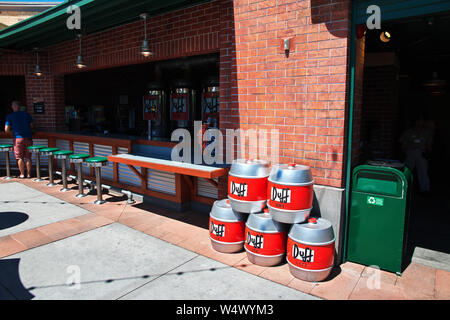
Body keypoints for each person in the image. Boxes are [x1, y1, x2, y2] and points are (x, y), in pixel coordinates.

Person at [399, 117, 433, 194]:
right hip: (410, 152)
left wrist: (428, 153)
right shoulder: (409, 132)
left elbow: (429, 144)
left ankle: (425, 190)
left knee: (423, 172)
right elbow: (403, 144)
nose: (419, 123)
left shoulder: (427, 132)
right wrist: (404, 152)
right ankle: (403, 188)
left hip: (421, 153)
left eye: (421, 121)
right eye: (418, 121)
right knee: (407, 171)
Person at [4, 101, 34, 179]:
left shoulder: (10, 116)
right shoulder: (26, 114)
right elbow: (32, 125)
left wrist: (13, 132)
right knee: (28, 157)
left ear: (13, 107)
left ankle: (22, 174)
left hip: (18, 139)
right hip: (28, 137)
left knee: (19, 157)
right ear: (20, 107)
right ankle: (29, 174)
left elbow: (6, 129)